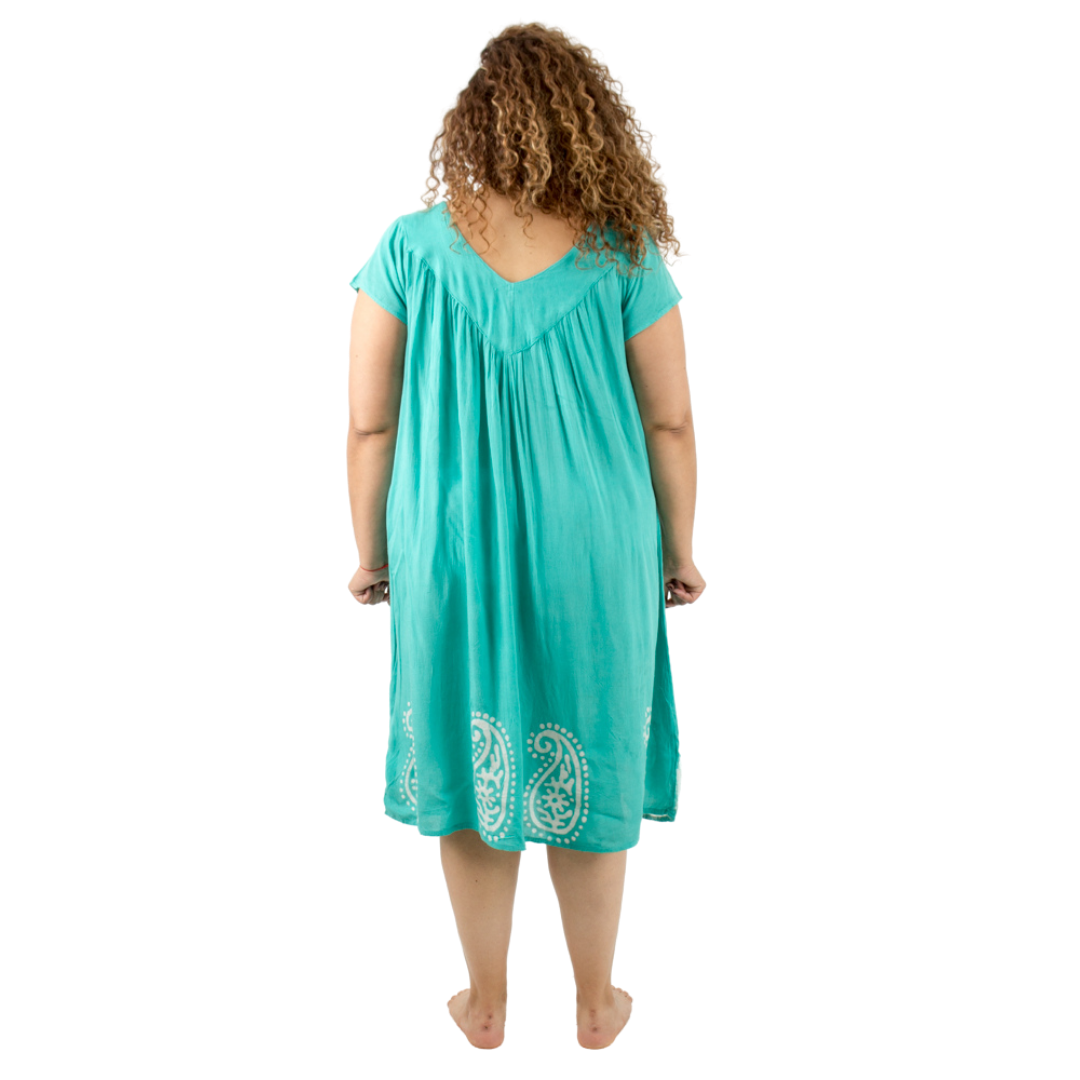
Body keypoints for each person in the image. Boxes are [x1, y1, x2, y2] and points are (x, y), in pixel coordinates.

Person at [346, 19, 705, 1050]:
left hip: (448, 541)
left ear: (468, 129)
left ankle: (487, 1001)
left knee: (470, 761)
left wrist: (372, 553)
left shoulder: (408, 249)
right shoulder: (624, 252)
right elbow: (671, 423)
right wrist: (679, 549)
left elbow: (371, 425)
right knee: (593, 740)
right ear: (594, 126)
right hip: (596, 543)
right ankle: (596, 1002)